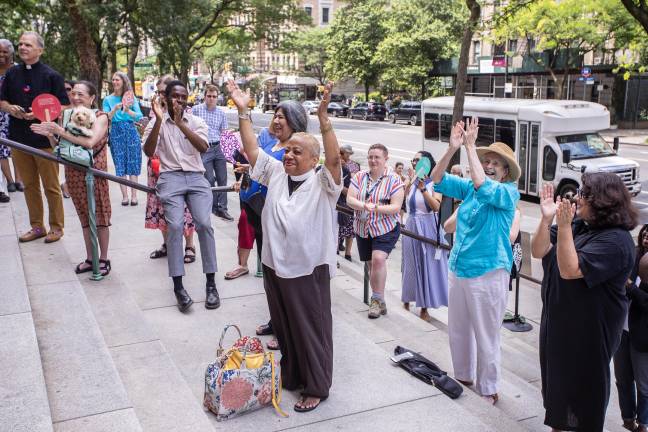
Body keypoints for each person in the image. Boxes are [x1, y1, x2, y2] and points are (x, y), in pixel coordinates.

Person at [228, 78, 342, 413]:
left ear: (313, 158)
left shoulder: (323, 182)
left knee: (311, 329)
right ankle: (293, 377)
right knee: (287, 327)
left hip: (308, 269)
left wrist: (323, 119)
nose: (289, 154)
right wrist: (243, 111)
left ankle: (317, 386)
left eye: (297, 151)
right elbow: (252, 150)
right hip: (275, 266)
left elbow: (334, 161)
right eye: (288, 149)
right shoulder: (277, 171)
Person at [531, 174, 637, 431]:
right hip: (559, 326)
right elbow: (538, 251)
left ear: (602, 201)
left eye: (584, 194)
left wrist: (565, 226)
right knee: (557, 398)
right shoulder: (582, 225)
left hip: (588, 337)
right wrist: (547, 219)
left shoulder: (616, 241)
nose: (576, 199)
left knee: (583, 402)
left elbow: (570, 270)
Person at [431, 118, 521, 404]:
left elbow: (483, 184)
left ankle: (489, 387)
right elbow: (436, 179)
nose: (490, 165)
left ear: (506, 173)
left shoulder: (508, 192)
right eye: (488, 160)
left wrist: (470, 146)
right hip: (459, 268)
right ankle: (464, 374)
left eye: (497, 163)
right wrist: (452, 149)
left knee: (486, 333)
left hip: (488, 273)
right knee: (458, 327)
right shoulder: (470, 188)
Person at [231, 99, 309, 350]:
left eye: (282, 117)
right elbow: (255, 156)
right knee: (270, 275)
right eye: (275, 115)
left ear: (295, 121)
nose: (276, 121)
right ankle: (276, 320)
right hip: (258, 212)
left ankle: (286, 329)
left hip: (279, 220)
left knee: (282, 275)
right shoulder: (271, 142)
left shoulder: (296, 149)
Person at [142, 80, 219, 312]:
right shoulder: (156, 121)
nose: (181, 101)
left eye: (184, 97)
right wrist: (159, 120)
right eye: (176, 96)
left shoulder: (196, 121)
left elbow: (203, 147)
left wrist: (180, 124)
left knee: (204, 224)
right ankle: (178, 286)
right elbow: (148, 150)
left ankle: (211, 285)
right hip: (170, 177)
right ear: (166, 98)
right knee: (175, 226)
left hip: (196, 177)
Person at [31, 81, 112, 275]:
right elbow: (60, 144)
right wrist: (51, 134)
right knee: (84, 217)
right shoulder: (66, 116)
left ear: (92, 98)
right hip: (73, 173)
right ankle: (90, 258)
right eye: (73, 93)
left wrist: (60, 131)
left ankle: (104, 259)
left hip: (94, 173)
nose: (75, 97)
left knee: (100, 217)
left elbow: (91, 142)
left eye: (81, 94)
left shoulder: (101, 117)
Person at [0, 31, 69, 242]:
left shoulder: (52, 76)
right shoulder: (11, 74)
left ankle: (56, 227)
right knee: (29, 186)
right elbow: (2, 101)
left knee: (51, 186)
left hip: (44, 140)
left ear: (40, 49)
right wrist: (11, 109)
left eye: (28, 45)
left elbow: (64, 105)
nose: (22, 48)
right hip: (18, 138)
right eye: (20, 44)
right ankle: (37, 227)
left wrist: (39, 114)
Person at [346, 143, 405, 319]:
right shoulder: (359, 176)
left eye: (377, 157)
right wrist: (364, 205)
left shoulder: (394, 179)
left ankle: (375, 299)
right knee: (372, 265)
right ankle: (380, 300)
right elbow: (350, 199)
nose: (373, 160)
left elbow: (396, 207)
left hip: (385, 227)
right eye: (370, 157)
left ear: (385, 159)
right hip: (363, 227)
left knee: (378, 259)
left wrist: (375, 208)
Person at [146, 75, 196, 265]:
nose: (161, 95)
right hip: (156, 166)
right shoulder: (155, 112)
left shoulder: (186, 114)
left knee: (185, 209)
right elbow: (150, 144)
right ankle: (166, 244)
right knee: (160, 207)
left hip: (178, 170)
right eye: (158, 91)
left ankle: (189, 245)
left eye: (163, 91)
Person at [401, 151, 448, 321]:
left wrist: (423, 190)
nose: (414, 163)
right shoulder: (411, 181)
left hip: (428, 225)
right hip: (411, 224)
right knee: (410, 264)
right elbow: (401, 201)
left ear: (427, 163)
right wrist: (409, 183)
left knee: (426, 266)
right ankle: (406, 298)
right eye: (413, 160)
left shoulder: (434, 183)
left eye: (417, 160)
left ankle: (424, 307)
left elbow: (436, 207)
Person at [615, 227, 648, 432]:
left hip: (642, 336)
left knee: (643, 384)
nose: (646, 239)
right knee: (622, 379)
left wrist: (631, 288)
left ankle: (643, 423)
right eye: (644, 234)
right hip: (621, 331)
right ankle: (628, 419)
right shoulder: (634, 256)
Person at [192, 84, 232, 221]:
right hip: (205, 149)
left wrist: (230, 151)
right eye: (209, 96)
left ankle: (223, 209)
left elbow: (224, 132)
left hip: (218, 148)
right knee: (209, 179)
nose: (211, 99)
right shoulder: (196, 110)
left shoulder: (221, 113)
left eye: (214, 97)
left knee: (223, 179)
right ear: (204, 96)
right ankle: (214, 207)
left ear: (217, 98)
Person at [103, 71, 143, 206]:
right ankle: (125, 196)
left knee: (133, 163)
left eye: (117, 80)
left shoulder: (131, 98)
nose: (114, 82)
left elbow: (139, 116)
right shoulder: (108, 100)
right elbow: (106, 117)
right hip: (116, 132)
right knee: (119, 164)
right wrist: (114, 109)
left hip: (131, 131)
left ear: (123, 82)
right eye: (113, 80)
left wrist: (127, 110)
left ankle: (134, 196)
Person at [0, 38, 23, 202]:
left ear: (11, 53)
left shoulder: (17, 70)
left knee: (17, 147)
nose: (1, 55)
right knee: (1, 149)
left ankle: (19, 180)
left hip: (15, 112)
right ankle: (9, 181)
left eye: (5, 51)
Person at [337, 144, 359, 260]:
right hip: (338, 203)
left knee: (349, 228)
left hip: (346, 202)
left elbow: (352, 187)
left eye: (344, 153)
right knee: (338, 229)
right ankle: (337, 247)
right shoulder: (335, 166)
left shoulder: (352, 166)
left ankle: (347, 252)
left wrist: (337, 186)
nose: (345, 156)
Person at [60, 79, 76, 200]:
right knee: (69, 165)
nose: (66, 92)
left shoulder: (81, 105)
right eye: (64, 89)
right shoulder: (61, 107)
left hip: (81, 139)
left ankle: (68, 185)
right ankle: (66, 185)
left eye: (68, 89)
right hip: (66, 138)